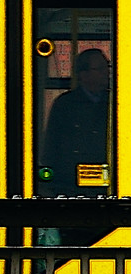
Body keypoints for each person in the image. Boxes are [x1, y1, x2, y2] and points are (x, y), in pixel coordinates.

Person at [40, 48, 111, 243]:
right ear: (83, 74)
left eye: (107, 68)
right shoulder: (65, 105)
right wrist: (49, 186)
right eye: (101, 69)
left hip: (108, 194)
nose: (107, 73)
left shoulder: (116, 102)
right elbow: (51, 146)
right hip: (71, 191)